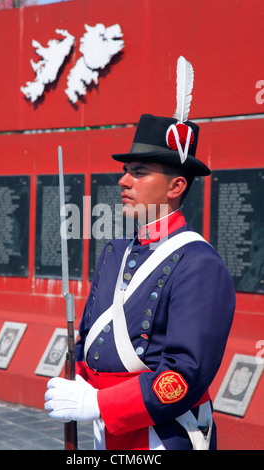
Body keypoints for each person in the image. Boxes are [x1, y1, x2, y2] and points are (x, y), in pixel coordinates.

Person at [44, 113, 236, 450]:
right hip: (106, 430)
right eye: (125, 170)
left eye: (139, 172)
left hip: (162, 433)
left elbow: (184, 374)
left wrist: (101, 404)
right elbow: (90, 337)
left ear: (176, 186)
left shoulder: (200, 264)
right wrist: (74, 384)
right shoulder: (116, 252)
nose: (124, 181)